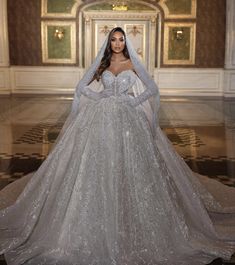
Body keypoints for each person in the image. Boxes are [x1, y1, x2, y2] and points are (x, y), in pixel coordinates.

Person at [0, 27, 235, 265]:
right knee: (95, 165)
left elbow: (153, 89)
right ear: (108, 42)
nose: (117, 43)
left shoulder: (133, 64)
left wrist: (135, 101)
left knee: (132, 166)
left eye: (121, 39)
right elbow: (80, 87)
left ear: (126, 42)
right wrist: (98, 97)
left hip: (127, 119)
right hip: (100, 118)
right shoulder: (101, 65)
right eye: (113, 39)